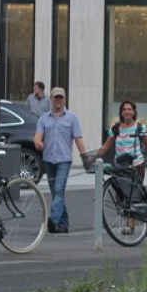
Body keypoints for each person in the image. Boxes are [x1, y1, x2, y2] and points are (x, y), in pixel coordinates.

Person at [33, 86, 88, 234]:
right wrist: (38, 142)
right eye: (55, 97)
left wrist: (85, 157)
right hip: (49, 159)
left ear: (64, 99)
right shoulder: (43, 118)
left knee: (58, 189)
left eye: (60, 98)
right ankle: (64, 225)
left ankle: (53, 220)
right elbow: (38, 136)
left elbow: (78, 139)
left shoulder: (72, 118)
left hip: (64, 159)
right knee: (56, 192)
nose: (58, 100)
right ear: (50, 99)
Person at [97, 100, 147, 184]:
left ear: (134, 112)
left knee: (135, 194)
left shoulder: (140, 128)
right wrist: (93, 159)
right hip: (120, 166)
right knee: (120, 193)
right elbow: (105, 147)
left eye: (129, 109)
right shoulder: (115, 128)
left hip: (137, 166)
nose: (127, 111)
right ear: (121, 113)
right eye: (124, 109)